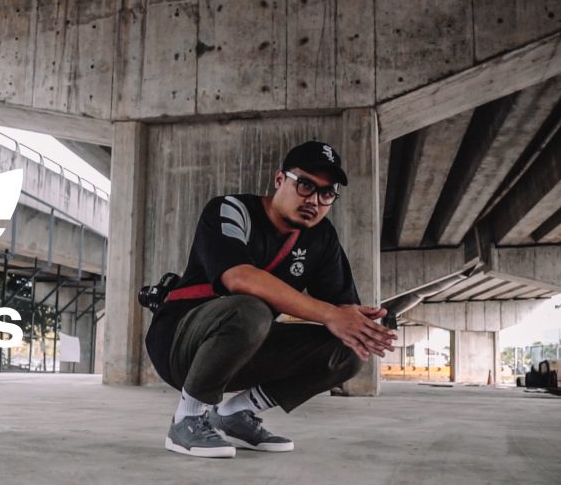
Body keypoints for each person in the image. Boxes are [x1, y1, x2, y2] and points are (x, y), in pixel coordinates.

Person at [145, 141, 397, 458]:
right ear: (279, 180)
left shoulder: (321, 237)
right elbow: (239, 278)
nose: (314, 200)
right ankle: (187, 420)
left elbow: (341, 307)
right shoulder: (231, 209)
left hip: (243, 348)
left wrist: (362, 325)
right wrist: (330, 314)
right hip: (179, 344)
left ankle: (235, 414)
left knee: (348, 350)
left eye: (326, 193)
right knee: (251, 309)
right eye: (305, 185)